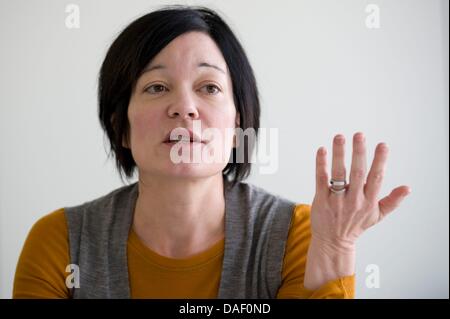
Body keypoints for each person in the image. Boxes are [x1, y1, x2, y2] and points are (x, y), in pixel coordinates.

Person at [13, 5, 411, 299]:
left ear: (239, 123)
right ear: (120, 126)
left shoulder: (300, 235)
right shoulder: (62, 243)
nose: (184, 107)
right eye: (156, 87)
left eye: (209, 87)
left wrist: (335, 250)